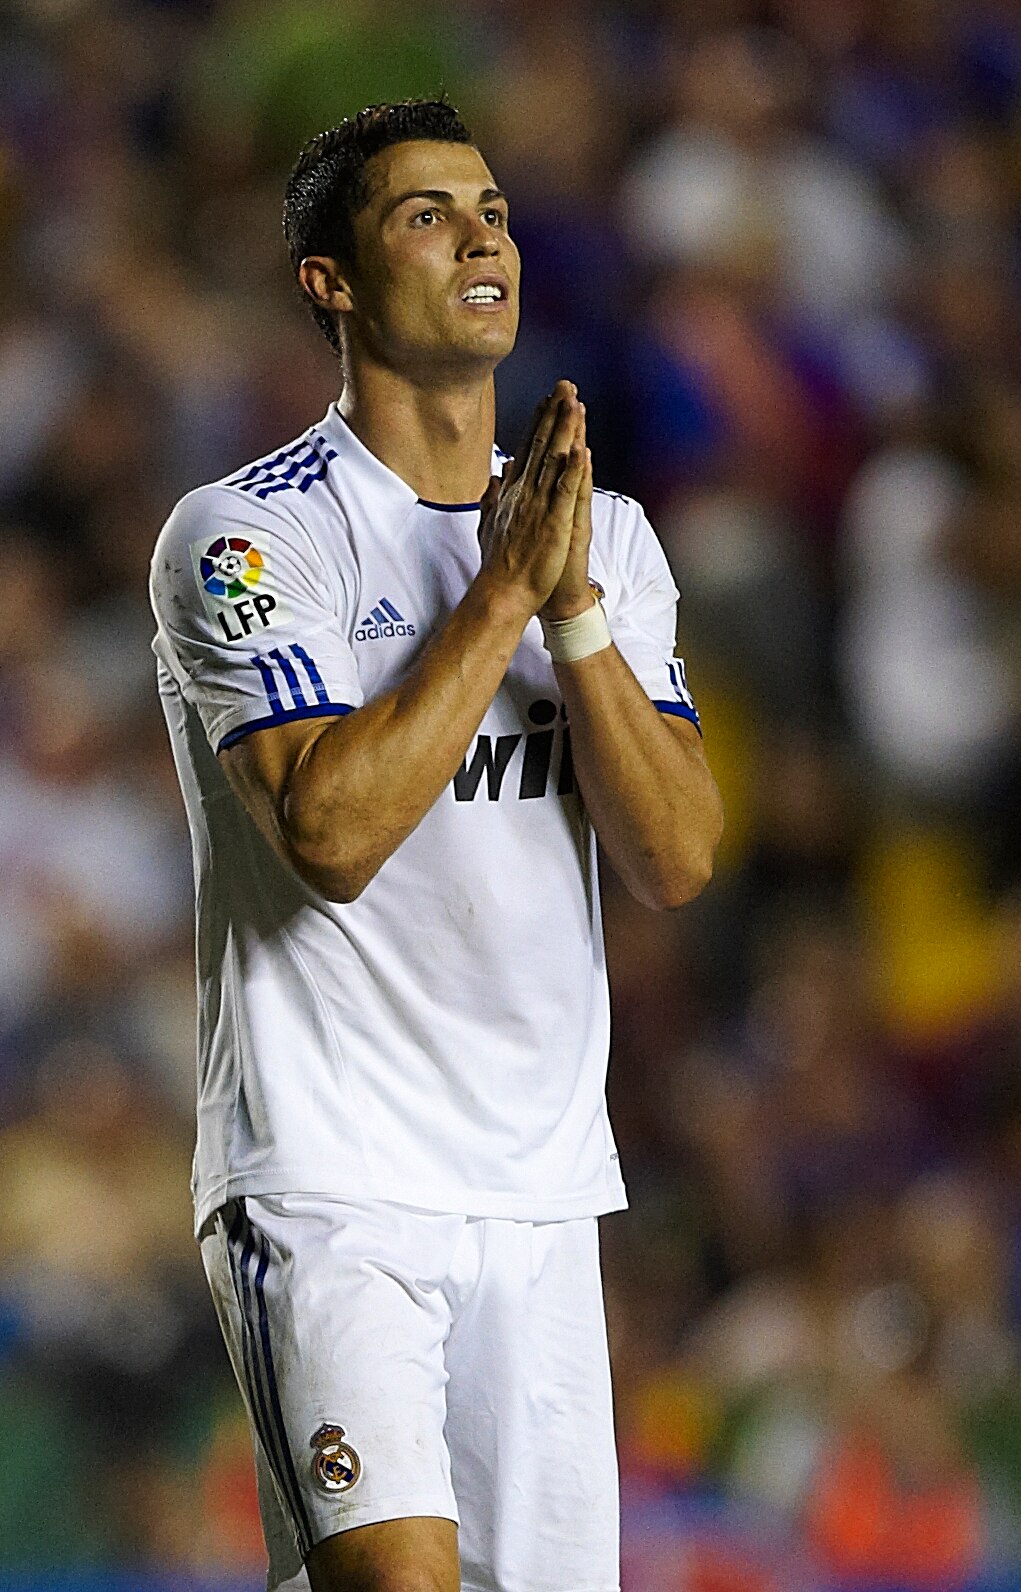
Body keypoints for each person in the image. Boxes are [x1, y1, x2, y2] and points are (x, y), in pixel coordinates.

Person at [149, 99, 722, 1592]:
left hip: (537, 1191)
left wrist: (574, 609)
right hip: (329, 1174)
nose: (482, 237)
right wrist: (500, 598)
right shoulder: (246, 536)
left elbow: (675, 859)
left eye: (495, 211)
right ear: (329, 281)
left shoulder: (614, 542)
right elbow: (330, 832)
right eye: (425, 214)